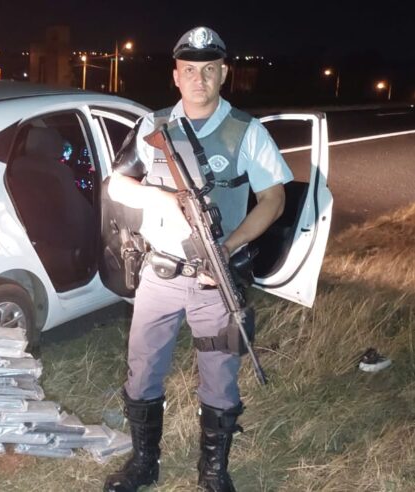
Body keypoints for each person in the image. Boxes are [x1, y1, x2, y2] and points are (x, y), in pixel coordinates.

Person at [103, 27, 293, 492]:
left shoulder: (248, 131)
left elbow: (274, 200)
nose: (199, 79)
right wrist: (158, 195)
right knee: (143, 370)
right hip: (161, 272)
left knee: (220, 377)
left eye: (209, 70)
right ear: (176, 75)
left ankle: (213, 472)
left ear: (224, 73)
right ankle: (144, 464)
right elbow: (116, 183)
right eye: (190, 70)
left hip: (216, 277)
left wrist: (227, 248)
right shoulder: (154, 124)